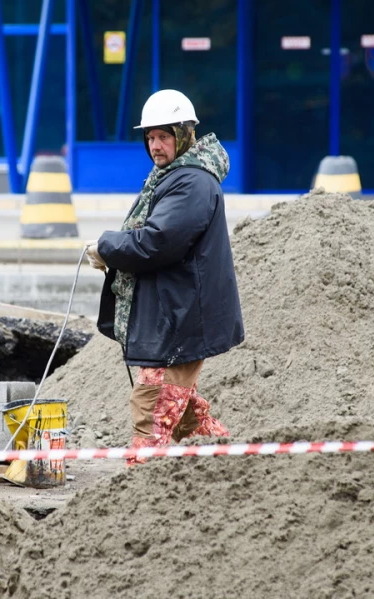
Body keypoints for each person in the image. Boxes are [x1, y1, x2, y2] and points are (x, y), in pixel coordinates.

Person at [84, 89, 244, 465]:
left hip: (184, 312)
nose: (156, 146)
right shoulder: (174, 176)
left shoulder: (191, 182)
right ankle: (220, 453)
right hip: (175, 309)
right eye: (150, 138)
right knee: (176, 397)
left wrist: (108, 246)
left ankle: (143, 472)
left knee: (154, 401)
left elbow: (158, 242)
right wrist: (114, 252)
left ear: (184, 134)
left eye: (164, 136)